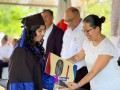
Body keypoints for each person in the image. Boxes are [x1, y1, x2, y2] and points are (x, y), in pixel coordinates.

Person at [66, 14, 120, 90]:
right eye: (83, 31)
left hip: (111, 86)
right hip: (96, 86)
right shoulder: (87, 42)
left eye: (87, 31)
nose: (85, 34)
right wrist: (63, 62)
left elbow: (93, 71)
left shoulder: (106, 47)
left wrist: (78, 85)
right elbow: (78, 57)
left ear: (97, 29)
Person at [7, 13, 56, 90]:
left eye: (44, 30)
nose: (43, 34)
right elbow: (17, 82)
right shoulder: (20, 51)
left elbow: (42, 76)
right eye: (40, 31)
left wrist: (58, 80)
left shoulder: (36, 49)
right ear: (31, 31)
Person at [61, 7, 90, 89]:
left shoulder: (84, 30)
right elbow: (63, 50)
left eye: (70, 20)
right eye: (66, 21)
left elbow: (80, 55)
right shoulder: (67, 31)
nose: (68, 23)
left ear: (78, 16)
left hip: (79, 71)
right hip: (66, 70)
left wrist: (62, 63)